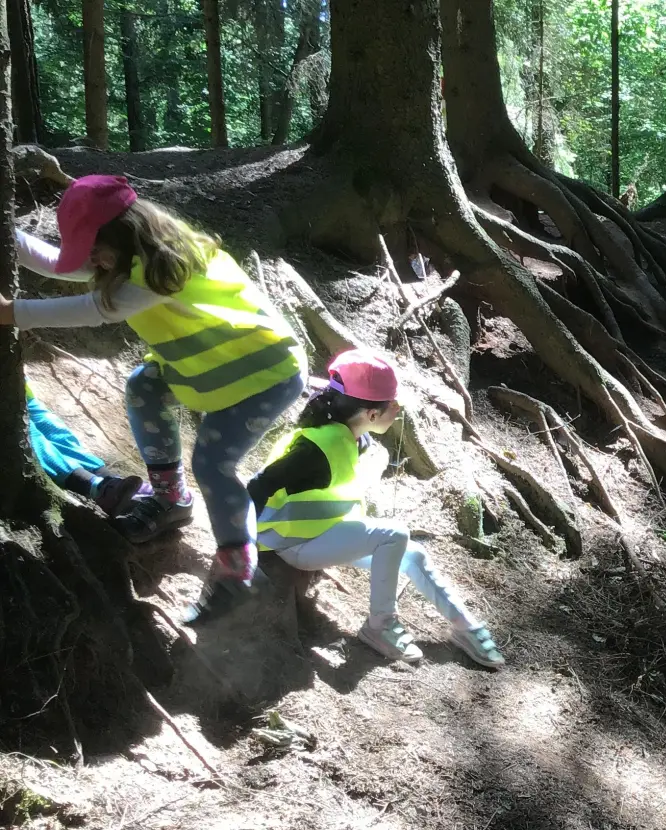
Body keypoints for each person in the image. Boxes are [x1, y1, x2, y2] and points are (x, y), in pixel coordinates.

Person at [0, 176, 307, 611]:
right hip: (205, 367)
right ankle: (169, 499)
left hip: (263, 375)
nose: (91, 262)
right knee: (144, 385)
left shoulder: (166, 268)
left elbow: (95, 310)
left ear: (122, 237)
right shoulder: (127, 257)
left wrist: (12, 313)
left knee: (214, 464)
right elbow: (58, 263)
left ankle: (237, 561)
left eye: (94, 250)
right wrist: (8, 236)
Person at [250, 350, 505, 669]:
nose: (397, 410)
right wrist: (242, 545)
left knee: (413, 555)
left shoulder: (352, 437)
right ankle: (380, 626)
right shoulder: (313, 450)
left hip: (320, 532)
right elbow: (257, 486)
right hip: (292, 544)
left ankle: (466, 627)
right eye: (392, 404)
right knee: (393, 535)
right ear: (371, 414)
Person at [25, 380, 143, 515]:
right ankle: (98, 488)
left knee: (54, 428)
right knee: (28, 433)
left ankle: (111, 481)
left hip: (17, 392)